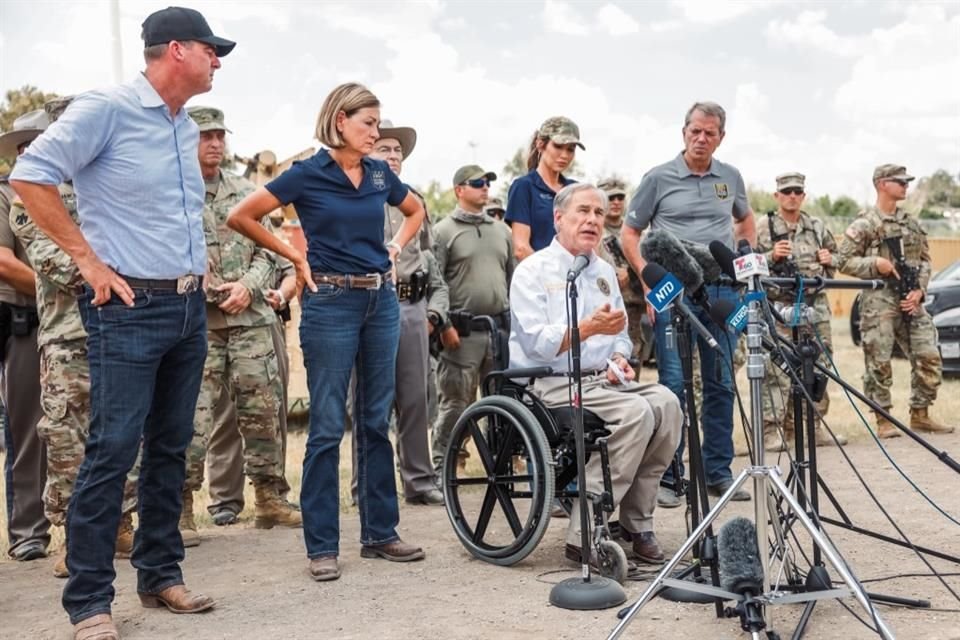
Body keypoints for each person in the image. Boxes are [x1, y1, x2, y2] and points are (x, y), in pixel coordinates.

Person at [10, 6, 235, 637]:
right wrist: (87, 260)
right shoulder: (107, 109)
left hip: (187, 307)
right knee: (111, 451)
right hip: (130, 309)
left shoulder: (183, 125)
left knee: (170, 447)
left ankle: (160, 574)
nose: (217, 63)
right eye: (211, 51)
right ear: (176, 49)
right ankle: (89, 602)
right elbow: (30, 175)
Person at [226, 82, 427, 582]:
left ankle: (380, 533)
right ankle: (322, 546)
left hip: (380, 301)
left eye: (377, 124)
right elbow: (241, 216)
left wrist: (395, 249)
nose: (376, 133)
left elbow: (416, 211)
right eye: (368, 124)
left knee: (375, 419)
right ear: (340, 120)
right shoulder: (307, 173)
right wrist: (295, 257)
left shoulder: (378, 173)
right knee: (327, 425)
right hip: (330, 303)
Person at [509, 183, 682, 564]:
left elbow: (620, 334)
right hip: (550, 383)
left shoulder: (603, 271)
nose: (592, 220)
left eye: (599, 213)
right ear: (559, 218)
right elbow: (536, 343)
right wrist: (586, 330)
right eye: (583, 211)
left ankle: (637, 523)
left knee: (668, 404)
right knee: (636, 414)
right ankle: (584, 530)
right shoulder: (532, 270)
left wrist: (620, 356)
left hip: (602, 380)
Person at [10, 97, 140, 578]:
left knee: (122, 432)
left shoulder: (105, 184)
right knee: (68, 437)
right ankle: (75, 537)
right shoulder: (30, 197)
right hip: (67, 336)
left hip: (119, 328)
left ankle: (120, 524)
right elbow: (53, 260)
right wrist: (113, 273)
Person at [621, 101, 757, 506]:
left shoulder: (730, 177)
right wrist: (649, 280)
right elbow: (630, 234)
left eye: (709, 133)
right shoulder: (658, 178)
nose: (701, 138)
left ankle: (718, 473)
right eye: (695, 131)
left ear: (721, 137)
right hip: (674, 292)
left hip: (721, 292)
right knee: (673, 385)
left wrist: (745, 255)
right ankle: (670, 477)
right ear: (683, 132)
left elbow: (745, 220)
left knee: (721, 383)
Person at [180, 105, 300, 546]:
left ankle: (270, 499)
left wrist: (249, 287)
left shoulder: (246, 192)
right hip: (197, 325)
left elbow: (270, 250)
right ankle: (180, 509)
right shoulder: (173, 190)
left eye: (219, 136)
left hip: (250, 321)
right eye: (204, 136)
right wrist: (205, 285)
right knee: (190, 419)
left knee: (263, 413)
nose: (214, 143)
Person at [350, 119, 445, 506]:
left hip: (410, 304)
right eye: (384, 149)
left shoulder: (414, 200)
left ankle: (419, 481)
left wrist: (430, 311)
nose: (392, 156)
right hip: (368, 305)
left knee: (415, 397)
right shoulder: (353, 196)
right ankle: (365, 485)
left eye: (397, 151)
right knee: (369, 399)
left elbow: (426, 255)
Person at [836, 164, 954, 438]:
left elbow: (925, 261)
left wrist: (920, 291)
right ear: (881, 184)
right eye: (899, 182)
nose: (905, 186)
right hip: (879, 301)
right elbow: (843, 261)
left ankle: (920, 414)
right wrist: (875, 263)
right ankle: (883, 419)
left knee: (929, 355)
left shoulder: (910, 223)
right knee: (878, 360)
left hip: (911, 299)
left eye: (906, 182)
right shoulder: (865, 224)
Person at [431, 165, 513, 477]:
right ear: (459, 190)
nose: (484, 187)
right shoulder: (443, 231)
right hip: (460, 334)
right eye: (477, 183)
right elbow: (435, 283)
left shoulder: (501, 231)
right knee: (456, 403)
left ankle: (500, 466)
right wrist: (444, 326)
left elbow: (511, 280)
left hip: (497, 331)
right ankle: (445, 466)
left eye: (487, 182)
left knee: (500, 402)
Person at [755, 172, 846, 451]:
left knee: (819, 363)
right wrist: (772, 256)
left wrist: (830, 259)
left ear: (803, 196)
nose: (792, 196)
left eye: (797, 192)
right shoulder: (763, 227)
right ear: (777, 196)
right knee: (777, 367)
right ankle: (772, 431)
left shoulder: (816, 226)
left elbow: (839, 258)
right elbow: (746, 264)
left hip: (813, 307)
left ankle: (811, 427)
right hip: (778, 307)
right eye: (786, 192)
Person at [0, 109, 50, 563]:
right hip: (26, 324)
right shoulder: (4, 195)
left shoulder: (69, 193)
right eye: (27, 145)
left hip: (77, 323)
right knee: (28, 427)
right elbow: (3, 261)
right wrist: (62, 287)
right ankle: (28, 529)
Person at [504, 116, 581, 261]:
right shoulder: (524, 187)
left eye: (570, 149)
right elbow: (521, 248)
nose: (564, 155)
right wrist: (551, 272)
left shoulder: (575, 189)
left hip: (576, 271)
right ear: (540, 144)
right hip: (539, 272)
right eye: (558, 146)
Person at [596, 176, 648, 364]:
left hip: (633, 306)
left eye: (620, 197)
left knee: (633, 353)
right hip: (602, 306)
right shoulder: (592, 228)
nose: (616, 202)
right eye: (611, 198)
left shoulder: (636, 231)